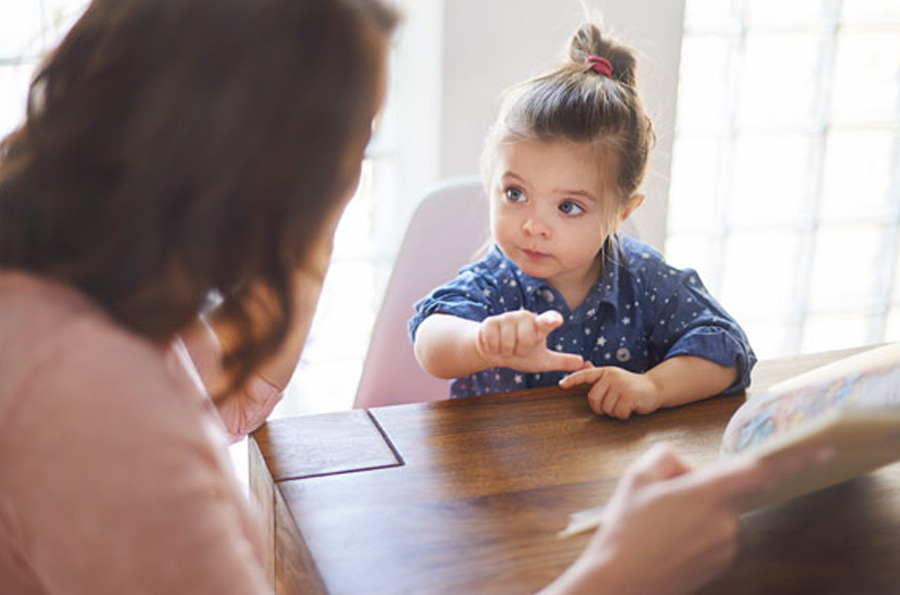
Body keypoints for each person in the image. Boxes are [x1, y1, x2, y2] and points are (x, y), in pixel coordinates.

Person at [0, 2, 825, 594]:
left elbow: (229, 398)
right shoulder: (82, 392)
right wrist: (621, 575)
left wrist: (308, 229)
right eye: (347, 148)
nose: (350, 184)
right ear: (243, 164)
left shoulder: (96, 278)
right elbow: (432, 333)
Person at [410, 23, 756, 419]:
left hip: (606, 475)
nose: (533, 226)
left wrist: (653, 386)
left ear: (621, 213)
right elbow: (429, 341)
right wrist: (482, 342)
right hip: (492, 474)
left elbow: (727, 349)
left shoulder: (644, 280)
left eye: (568, 207)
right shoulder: (495, 281)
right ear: (492, 183)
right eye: (515, 194)